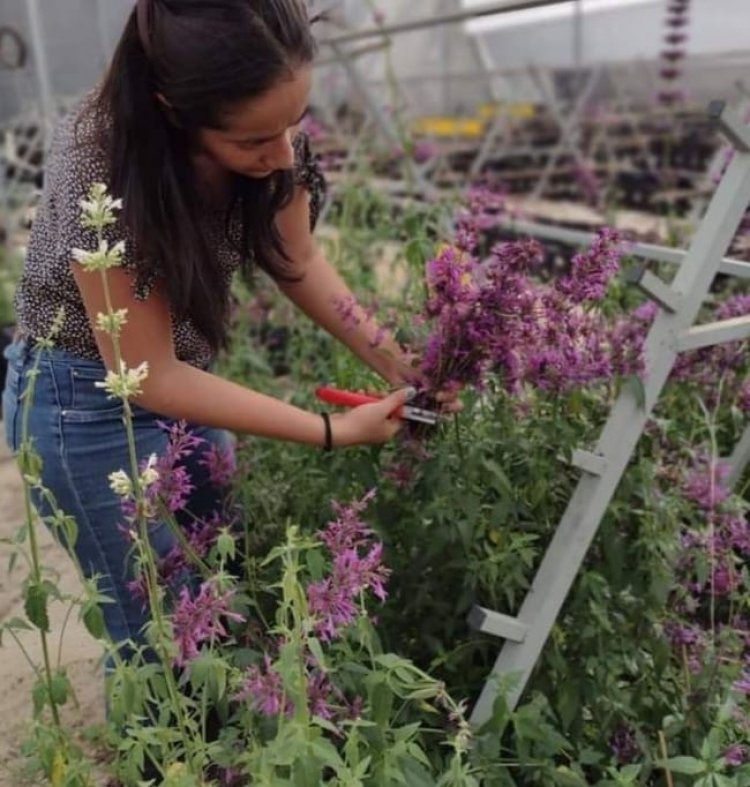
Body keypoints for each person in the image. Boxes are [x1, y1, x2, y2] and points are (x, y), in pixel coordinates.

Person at [1, 0, 458, 670]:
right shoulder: (98, 162)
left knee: (224, 578)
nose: (280, 157)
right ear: (173, 109)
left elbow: (297, 260)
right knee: (161, 630)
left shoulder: (273, 136)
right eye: (251, 141)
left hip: (187, 379)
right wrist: (330, 431)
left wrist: (401, 366)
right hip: (82, 403)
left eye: (293, 125)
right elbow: (148, 372)